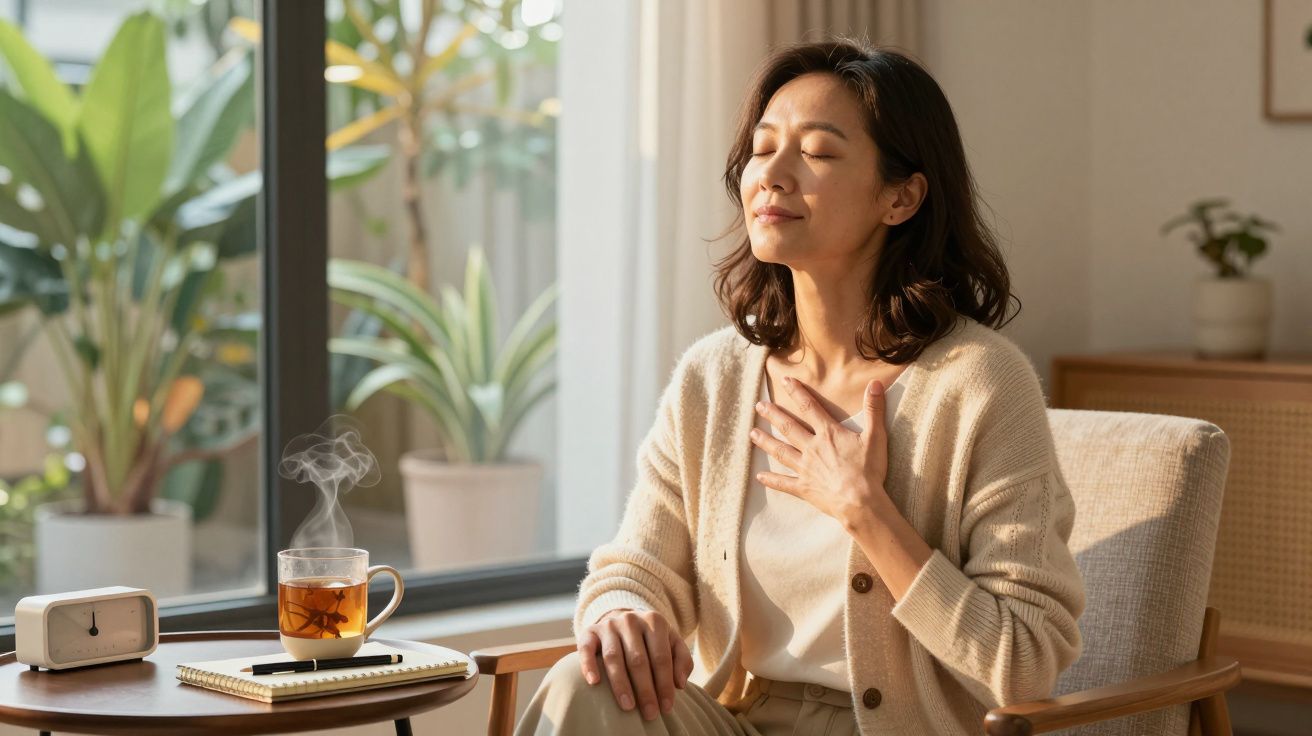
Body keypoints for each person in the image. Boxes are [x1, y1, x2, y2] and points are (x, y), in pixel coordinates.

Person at [516, 37, 1086, 736]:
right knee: (584, 682)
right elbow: (638, 566)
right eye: (762, 148)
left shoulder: (979, 385)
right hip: (738, 721)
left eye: (816, 152)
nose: (772, 176)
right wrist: (618, 613)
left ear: (901, 197)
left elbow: (1024, 662)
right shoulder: (714, 378)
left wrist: (865, 511)